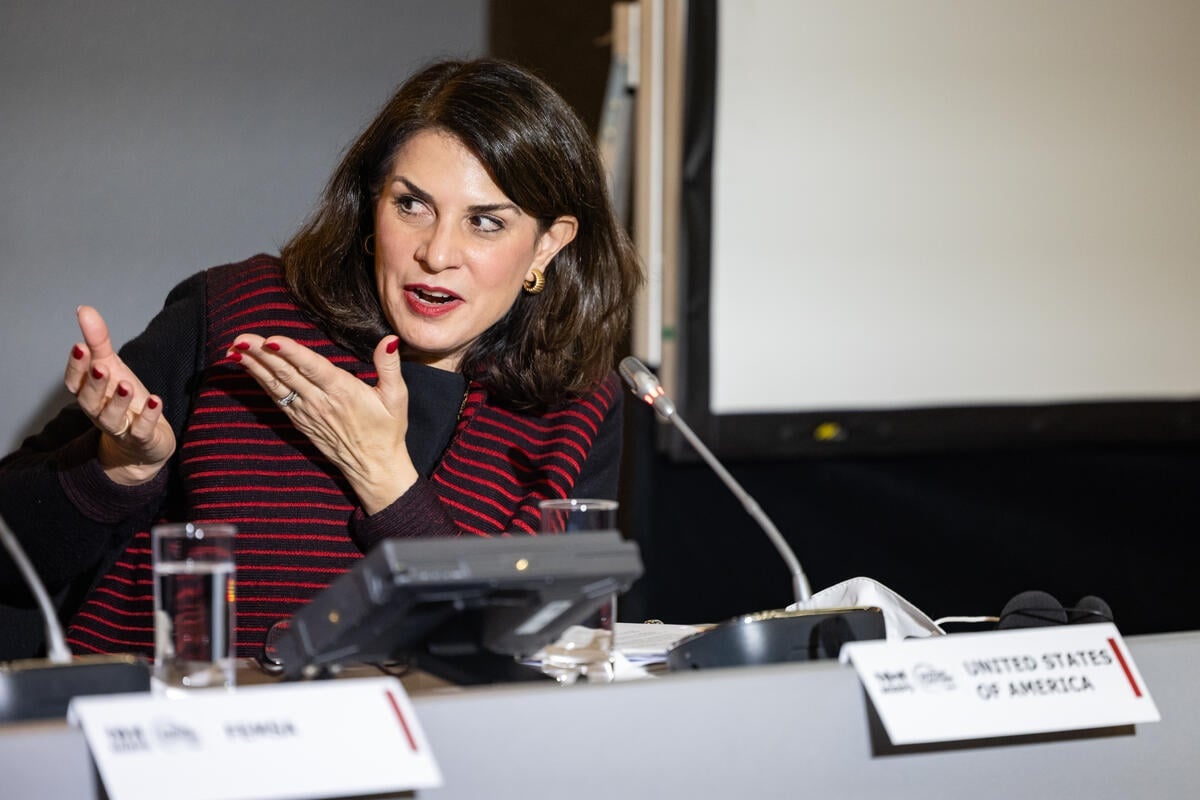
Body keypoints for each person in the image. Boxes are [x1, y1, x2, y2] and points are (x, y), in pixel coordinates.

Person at [0, 58, 642, 661]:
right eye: (411, 205)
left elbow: (543, 655)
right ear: (372, 203)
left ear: (547, 245)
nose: (437, 253)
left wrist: (386, 480)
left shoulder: (577, 405)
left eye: (485, 222)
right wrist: (120, 468)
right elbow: (11, 554)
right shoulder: (235, 312)